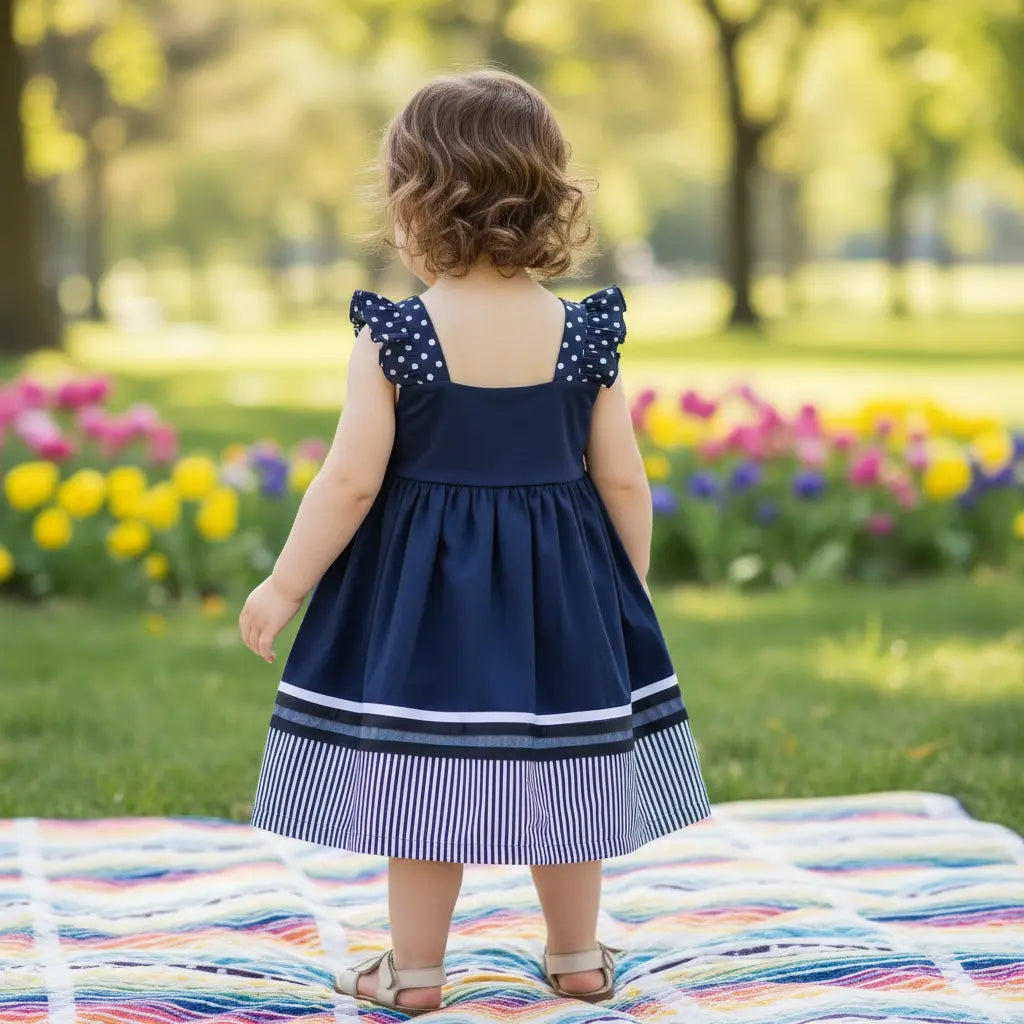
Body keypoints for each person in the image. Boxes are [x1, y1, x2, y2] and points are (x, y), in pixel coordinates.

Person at [240, 68, 711, 1014]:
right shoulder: (583, 335)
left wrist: (284, 587)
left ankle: (415, 974)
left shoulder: (398, 337)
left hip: (424, 605)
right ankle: (577, 957)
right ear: (548, 200)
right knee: (570, 774)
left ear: (416, 203)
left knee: (422, 783)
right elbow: (621, 476)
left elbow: (351, 479)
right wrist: (629, 589)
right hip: (564, 596)